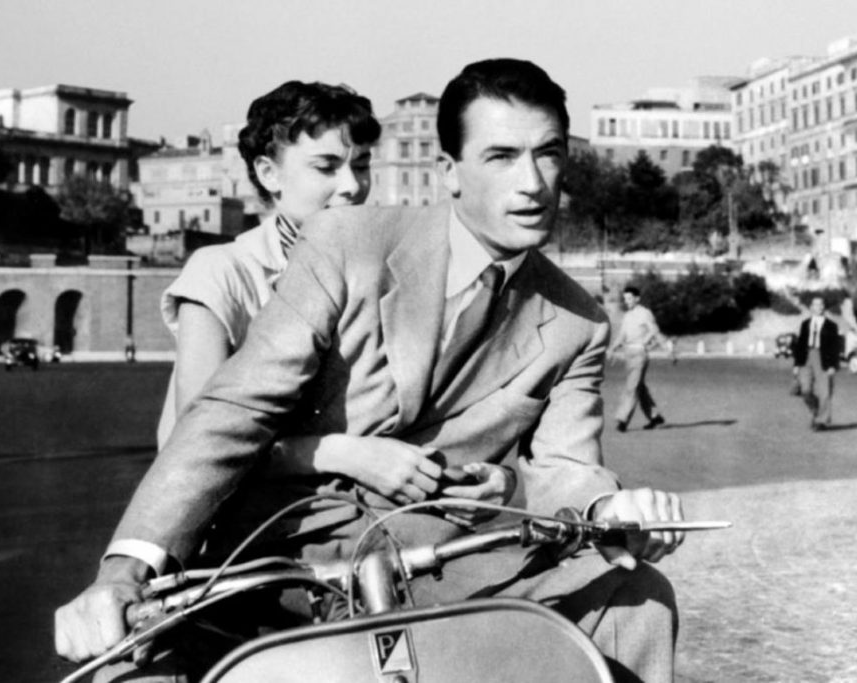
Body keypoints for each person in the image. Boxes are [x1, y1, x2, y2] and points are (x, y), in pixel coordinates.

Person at [55, 58, 686, 683]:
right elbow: (234, 411)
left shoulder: (579, 321)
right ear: (449, 172)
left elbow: (567, 467)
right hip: (279, 556)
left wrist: (611, 505)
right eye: (501, 157)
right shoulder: (348, 241)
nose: (533, 183)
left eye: (548, 155)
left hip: (443, 567)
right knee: (125, 669)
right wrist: (124, 571)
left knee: (637, 601)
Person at [154, 80, 515, 522]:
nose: (352, 186)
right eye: (326, 167)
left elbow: (423, 418)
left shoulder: (389, 269)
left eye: (361, 165)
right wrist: (343, 454)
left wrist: (486, 476)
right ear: (269, 174)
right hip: (241, 537)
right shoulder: (221, 272)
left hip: (362, 531)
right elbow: (195, 448)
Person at [610, 286, 668, 432]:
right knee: (639, 387)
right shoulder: (627, 316)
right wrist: (612, 348)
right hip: (628, 354)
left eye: (629, 298)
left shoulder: (645, 313)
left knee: (632, 387)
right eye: (625, 299)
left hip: (639, 354)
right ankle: (655, 417)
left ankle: (622, 420)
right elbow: (622, 335)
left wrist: (665, 348)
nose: (627, 301)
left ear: (637, 298)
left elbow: (655, 330)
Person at [792, 295, 841, 430]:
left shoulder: (831, 326)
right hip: (806, 358)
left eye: (821, 304)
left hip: (823, 358)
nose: (818, 307)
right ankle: (816, 409)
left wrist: (833, 365)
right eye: (815, 304)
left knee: (825, 391)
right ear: (811, 307)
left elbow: (836, 347)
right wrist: (796, 364)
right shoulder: (805, 324)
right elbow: (800, 345)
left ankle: (821, 421)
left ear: (824, 307)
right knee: (805, 390)